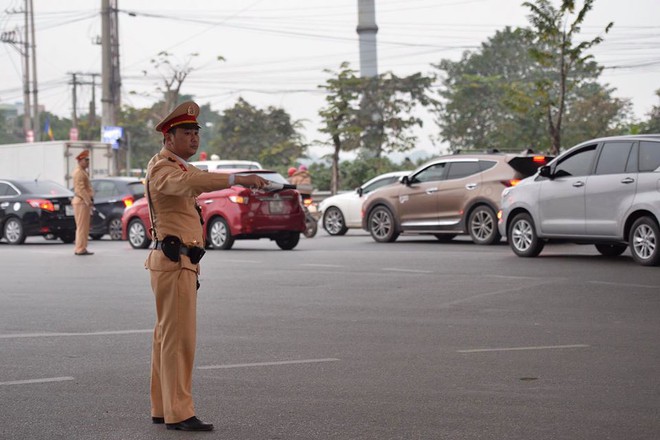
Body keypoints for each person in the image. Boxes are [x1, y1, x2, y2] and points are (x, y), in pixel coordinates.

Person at [145, 101, 267, 432]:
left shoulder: (177, 166)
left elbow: (197, 179)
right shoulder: (163, 170)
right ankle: (179, 412)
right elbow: (190, 184)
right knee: (178, 340)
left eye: (196, 133)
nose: (194, 138)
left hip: (177, 261)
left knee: (166, 337)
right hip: (175, 261)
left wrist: (241, 179)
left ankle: (163, 406)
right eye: (187, 133)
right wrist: (236, 177)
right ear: (169, 138)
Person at [71, 150, 94, 256]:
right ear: (80, 161)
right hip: (81, 202)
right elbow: (81, 190)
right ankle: (80, 248)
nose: (88, 162)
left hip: (82, 202)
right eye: (86, 160)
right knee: (81, 227)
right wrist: (88, 201)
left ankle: (82, 247)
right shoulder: (79, 173)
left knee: (84, 227)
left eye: (88, 160)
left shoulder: (83, 171)